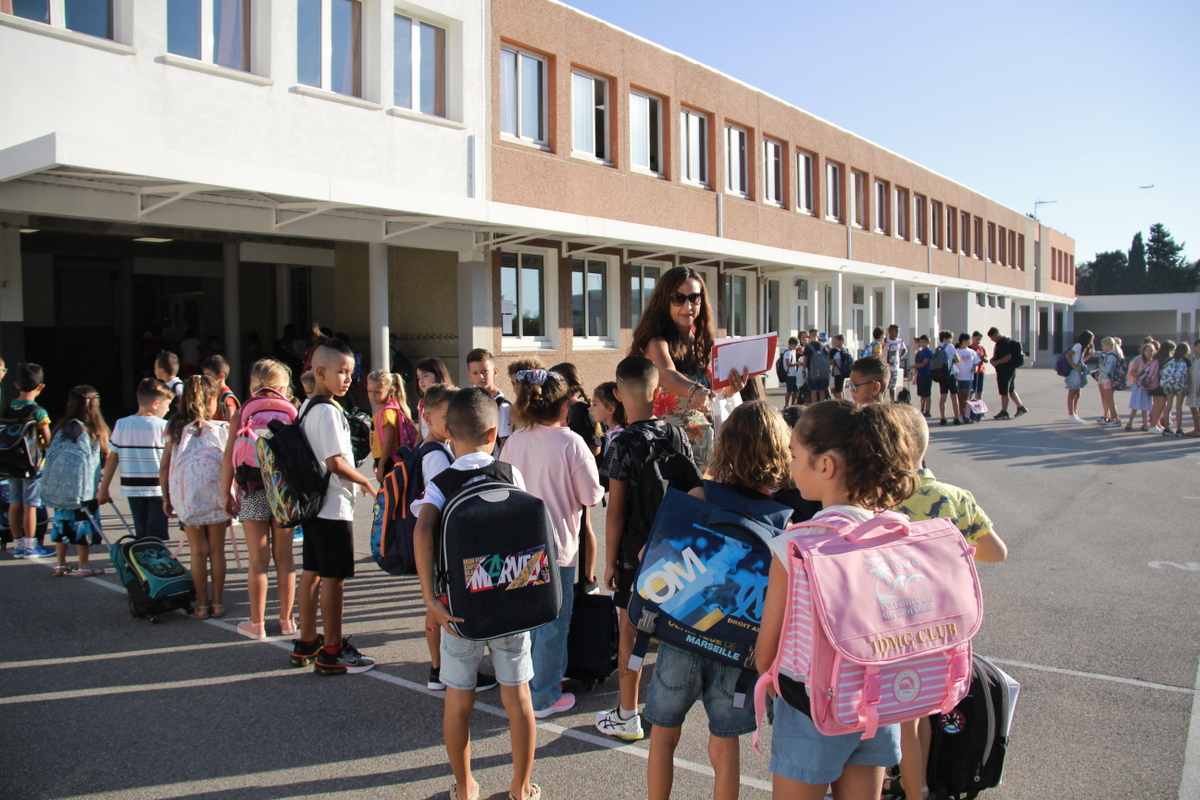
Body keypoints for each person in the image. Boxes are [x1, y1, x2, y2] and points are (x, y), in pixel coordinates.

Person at [646, 400, 817, 800]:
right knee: (724, 748)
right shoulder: (783, 520)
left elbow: (655, 560)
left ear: (726, 446)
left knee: (663, 737)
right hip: (740, 649)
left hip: (683, 633)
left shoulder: (701, 494)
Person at [756, 401, 919, 799]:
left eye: (795, 456)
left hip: (811, 705)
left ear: (825, 466)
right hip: (878, 702)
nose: (790, 465)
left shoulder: (797, 545)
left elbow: (766, 653)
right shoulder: (895, 532)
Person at [413, 388, 541, 800]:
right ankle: (521, 787)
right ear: (492, 433)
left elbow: (422, 530)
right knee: (518, 698)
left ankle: (465, 787)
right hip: (511, 601)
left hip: (460, 609)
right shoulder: (510, 474)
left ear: (448, 434)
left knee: (458, 700)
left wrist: (430, 599)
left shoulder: (442, 483)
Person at [888, 403, 1008, 800]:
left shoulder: (878, 497)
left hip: (896, 620)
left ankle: (908, 786)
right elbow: (996, 552)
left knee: (903, 717)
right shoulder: (955, 497)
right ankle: (924, 783)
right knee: (925, 708)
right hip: (945, 622)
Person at [598, 355, 703, 742]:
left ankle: (628, 714)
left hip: (634, 552)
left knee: (631, 631)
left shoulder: (621, 443)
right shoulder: (676, 433)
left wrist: (610, 561)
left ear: (617, 394)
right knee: (674, 629)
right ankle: (668, 712)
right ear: (658, 392)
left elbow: (615, 511)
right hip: (674, 548)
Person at [500, 368, 604, 719]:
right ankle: (544, 693)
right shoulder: (571, 443)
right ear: (564, 406)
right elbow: (591, 495)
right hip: (557, 546)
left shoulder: (514, 441)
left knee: (526, 620)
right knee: (554, 622)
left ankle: (522, 684)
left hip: (519, 544)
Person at [290, 337, 377, 675]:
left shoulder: (307, 407)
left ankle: (306, 641)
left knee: (312, 573)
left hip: (313, 506)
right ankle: (332, 650)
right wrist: (366, 482)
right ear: (320, 372)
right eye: (341, 372)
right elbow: (336, 462)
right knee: (334, 579)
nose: (348, 379)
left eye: (351, 372)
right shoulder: (328, 411)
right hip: (332, 506)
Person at [629, 266, 747, 468]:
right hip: (667, 450)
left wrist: (730, 390)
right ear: (664, 300)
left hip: (704, 449)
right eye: (678, 298)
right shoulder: (655, 341)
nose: (688, 305)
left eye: (694, 298)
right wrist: (695, 390)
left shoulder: (701, 342)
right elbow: (667, 375)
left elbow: (711, 396)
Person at [221, 359, 299, 639]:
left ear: (253, 384)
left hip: (252, 488)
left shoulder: (243, 412)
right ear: (283, 386)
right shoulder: (293, 410)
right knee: (285, 557)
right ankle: (287, 620)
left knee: (258, 559)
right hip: (283, 490)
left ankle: (257, 623)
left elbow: (229, 457)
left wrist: (227, 493)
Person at [161, 375, 231, 619]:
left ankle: (201, 605)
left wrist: (166, 497)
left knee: (198, 552)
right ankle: (217, 602)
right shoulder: (221, 429)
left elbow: (165, 465)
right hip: (217, 496)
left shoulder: (175, 428)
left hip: (187, 497)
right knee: (217, 551)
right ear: (211, 400)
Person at [549, 362, 603, 595]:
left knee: (585, 525)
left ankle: (588, 578)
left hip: (579, 474)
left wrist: (575, 454)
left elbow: (596, 447)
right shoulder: (556, 408)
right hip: (562, 473)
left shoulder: (582, 410)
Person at [97, 378, 173, 540]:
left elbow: (112, 458)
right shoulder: (165, 426)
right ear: (156, 404)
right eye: (167, 405)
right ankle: (153, 554)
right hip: (158, 488)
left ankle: (142, 552)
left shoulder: (122, 424)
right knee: (156, 535)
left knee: (141, 531)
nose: (168, 410)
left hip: (132, 488)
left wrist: (104, 488)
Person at [48, 386, 110, 577]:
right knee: (83, 524)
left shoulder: (61, 428)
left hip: (61, 487)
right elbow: (106, 455)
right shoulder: (96, 430)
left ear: (70, 404)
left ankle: (60, 564)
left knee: (61, 522)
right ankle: (84, 566)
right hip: (86, 489)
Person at [8, 363, 54, 559]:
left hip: (11, 463)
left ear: (16, 385)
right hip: (32, 464)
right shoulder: (38, 411)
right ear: (41, 386)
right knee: (30, 505)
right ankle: (30, 546)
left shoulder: (8, 408)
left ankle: (18, 545)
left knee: (14, 503)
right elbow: (48, 440)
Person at [367, 369, 418, 485]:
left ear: (390, 391)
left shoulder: (387, 412)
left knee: (388, 493)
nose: (372, 395)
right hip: (385, 459)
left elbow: (389, 441)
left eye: (377, 392)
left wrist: (381, 464)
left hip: (390, 461)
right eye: (369, 391)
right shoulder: (381, 411)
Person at [467, 348, 513, 455]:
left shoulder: (502, 406)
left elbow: (505, 442)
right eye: (475, 373)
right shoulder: (470, 401)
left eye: (485, 371)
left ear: (495, 372)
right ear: (469, 376)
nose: (480, 377)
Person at [986, 328, 1028, 420]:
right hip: (1008, 370)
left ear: (997, 334)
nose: (992, 340)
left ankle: (1004, 411)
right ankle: (1020, 407)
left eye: (992, 337)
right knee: (1010, 390)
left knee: (1004, 391)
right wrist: (993, 359)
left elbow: (1008, 356)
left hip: (1005, 370)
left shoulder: (1004, 343)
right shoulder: (1001, 342)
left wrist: (997, 362)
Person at [415, 357, 453, 439]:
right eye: (418, 378)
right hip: (427, 444)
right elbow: (420, 432)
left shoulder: (449, 400)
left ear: (438, 376)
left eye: (425, 376)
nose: (421, 381)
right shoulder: (421, 403)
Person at [1125, 340, 1157, 431]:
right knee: (1135, 405)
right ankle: (1129, 423)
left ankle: (1145, 424)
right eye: (1147, 351)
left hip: (1148, 386)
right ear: (1143, 351)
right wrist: (1142, 374)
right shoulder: (1139, 361)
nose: (1149, 353)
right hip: (1139, 385)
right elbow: (1132, 372)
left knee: (1145, 406)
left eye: (1151, 351)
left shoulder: (1154, 362)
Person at [1063, 330, 1094, 424]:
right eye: (1091, 339)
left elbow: (1081, 360)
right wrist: (1074, 365)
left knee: (1077, 393)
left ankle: (1075, 413)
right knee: (1072, 393)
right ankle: (1071, 415)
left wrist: (1090, 354)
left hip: (1079, 371)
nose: (1092, 341)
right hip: (1074, 372)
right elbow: (1067, 354)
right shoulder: (1078, 345)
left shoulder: (1081, 348)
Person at [1161, 341, 1191, 436]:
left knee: (1168, 406)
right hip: (1180, 385)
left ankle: (1166, 428)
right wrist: (1189, 387)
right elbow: (1188, 375)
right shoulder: (1186, 361)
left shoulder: (1169, 359)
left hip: (1169, 385)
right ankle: (1179, 429)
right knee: (1178, 407)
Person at [201, 354, 241, 422]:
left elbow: (230, 423)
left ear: (221, 376)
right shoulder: (211, 392)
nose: (205, 378)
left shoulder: (227, 397)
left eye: (208, 375)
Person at [954, 334, 981, 425]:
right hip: (958, 377)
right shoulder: (956, 351)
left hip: (968, 377)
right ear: (963, 341)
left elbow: (976, 363)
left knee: (966, 397)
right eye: (968, 340)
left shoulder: (972, 352)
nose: (969, 342)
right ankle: (961, 413)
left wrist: (975, 369)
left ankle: (967, 414)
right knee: (959, 396)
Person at [1095, 337, 1123, 428]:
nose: (1102, 348)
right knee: (1109, 400)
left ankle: (1115, 419)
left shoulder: (1111, 356)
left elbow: (1108, 369)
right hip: (1108, 379)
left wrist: (1101, 366)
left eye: (1103, 346)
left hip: (1108, 379)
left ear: (1108, 345)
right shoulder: (1113, 354)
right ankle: (1113, 418)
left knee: (1109, 400)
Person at [908, 336, 933, 418]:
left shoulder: (929, 352)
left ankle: (928, 411)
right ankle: (922, 410)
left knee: (927, 394)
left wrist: (911, 366)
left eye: (924, 342)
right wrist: (913, 374)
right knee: (922, 394)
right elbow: (918, 365)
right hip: (920, 375)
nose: (922, 344)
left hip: (927, 374)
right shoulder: (920, 352)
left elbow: (923, 364)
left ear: (928, 342)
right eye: (921, 342)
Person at [804, 333, 831, 403]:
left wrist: (803, 370)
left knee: (814, 390)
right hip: (822, 370)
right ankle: (822, 405)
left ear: (810, 337)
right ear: (817, 337)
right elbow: (827, 357)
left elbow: (805, 359)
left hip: (812, 371)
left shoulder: (808, 346)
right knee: (822, 390)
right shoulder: (823, 345)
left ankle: (814, 405)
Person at [883, 325, 908, 402]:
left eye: (898, 332)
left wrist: (901, 356)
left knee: (893, 386)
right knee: (884, 385)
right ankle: (882, 401)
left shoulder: (900, 341)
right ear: (890, 332)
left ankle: (892, 401)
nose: (897, 333)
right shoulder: (885, 341)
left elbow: (904, 350)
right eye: (895, 331)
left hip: (895, 366)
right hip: (886, 367)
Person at [829, 334, 852, 400]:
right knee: (841, 389)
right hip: (844, 371)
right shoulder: (846, 350)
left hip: (837, 372)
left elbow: (831, 362)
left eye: (835, 341)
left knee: (837, 390)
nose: (834, 343)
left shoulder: (834, 351)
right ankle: (843, 401)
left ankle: (840, 403)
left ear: (841, 342)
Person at [968, 332, 989, 401]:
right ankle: (968, 404)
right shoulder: (969, 348)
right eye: (976, 339)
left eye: (979, 339)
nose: (978, 341)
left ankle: (978, 404)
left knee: (979, 391)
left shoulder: (981, 348)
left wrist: (982, 356)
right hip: (971, 372)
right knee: (970, 391)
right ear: (972, 338)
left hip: (980, 371)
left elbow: (986, 360)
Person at [1187, 339, 1200, 437]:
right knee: (1193, 408)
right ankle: (1197, 429)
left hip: (1199, 386)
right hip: (1192, 387)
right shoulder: (1192, 360)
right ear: (1194, 347)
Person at [783, 337, 800, 406]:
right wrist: (797, 364)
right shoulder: (788, 352)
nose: (796, 347)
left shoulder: (792, 352)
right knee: (789, 391)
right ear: (792, 344)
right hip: (790, 374)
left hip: (794, 374)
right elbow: (788, 363)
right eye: (796, 345)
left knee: (795, 390)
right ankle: (786, 404)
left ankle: (793, 404)